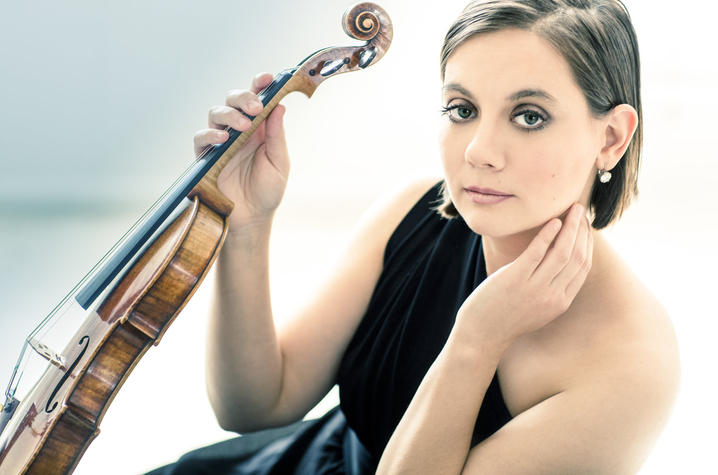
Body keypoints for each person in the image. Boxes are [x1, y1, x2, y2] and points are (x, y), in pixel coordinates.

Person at [149, 0, 680, 473]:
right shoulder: (415, 211)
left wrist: (476, 340)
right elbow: (256, 406)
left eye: (529, 116)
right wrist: (246, 224)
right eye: (462, 110)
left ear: (611, 138)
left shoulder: (630, 364)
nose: (478, 151)